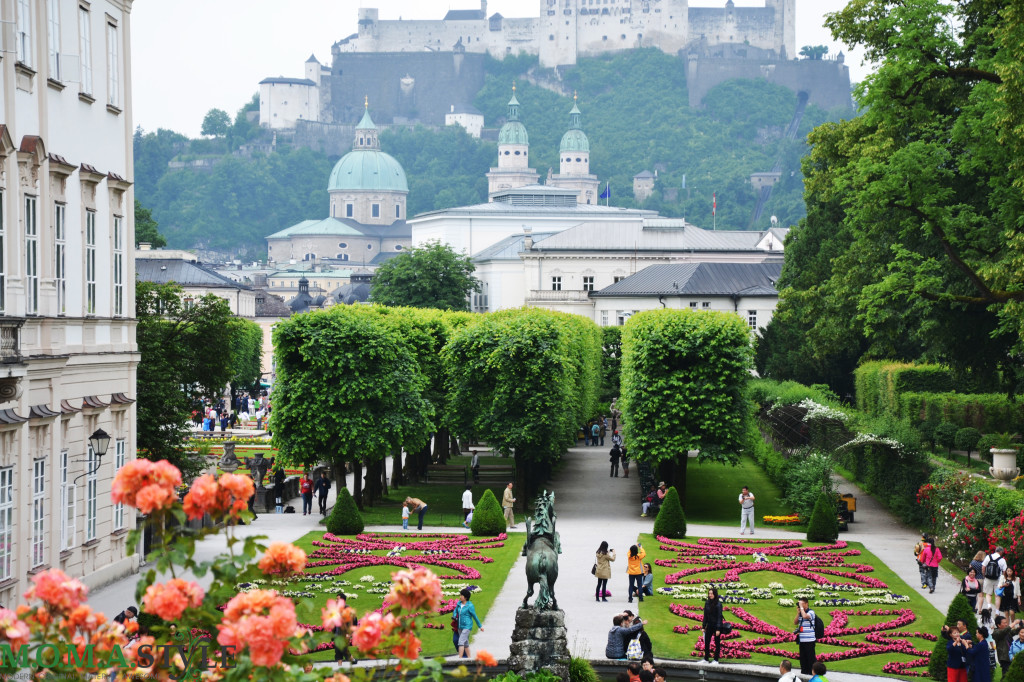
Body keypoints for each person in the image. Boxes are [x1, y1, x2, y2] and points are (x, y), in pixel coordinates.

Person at [456, 588, 483, 658]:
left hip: (467, 626)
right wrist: (454, 616)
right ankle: (469, 658)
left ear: (465, 597)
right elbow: (455, 611)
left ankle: (460, 659)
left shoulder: (470, 606)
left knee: (461, 641)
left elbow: (475, 616)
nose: (460, 597)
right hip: (460, 626)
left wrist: (480, 626)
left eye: (461, 595)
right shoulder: (459, 604)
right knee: (465, 643)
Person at [701, 586, 724, 664]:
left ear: (715, 594)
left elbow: (719, 617)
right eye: (709, 593)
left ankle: (716, 660)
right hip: (709, 625)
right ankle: (706, 659)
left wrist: (718, 629)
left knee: (717, 643)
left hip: (716, 626)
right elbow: (705, 616)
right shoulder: (707, 603)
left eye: (711, 593)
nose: (710, 595)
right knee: (707, 642)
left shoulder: (718, 604)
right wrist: (703, 626)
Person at [795, 597, 817, 675]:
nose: (800, 605)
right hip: (802, 639)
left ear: (806, 603)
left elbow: (805, 616)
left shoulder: (811, 612)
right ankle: (804, 672)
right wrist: (798, 613)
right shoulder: (801, 613)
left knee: (810, 658)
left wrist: (801, 608)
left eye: (801, 603)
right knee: (803, 658)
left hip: (810, 639)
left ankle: (812, 673)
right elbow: (795, 622)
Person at [982, 547, 1008, 611]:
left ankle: (989, 605)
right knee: (997, 595)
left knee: (988, 594)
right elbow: (1004, 571)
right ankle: (997, 611)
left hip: (988, 578)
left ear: (995, 550)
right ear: (1001, 552)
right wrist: (1004, 579)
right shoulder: (1002, 560)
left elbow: (983, 567)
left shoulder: (988, 557)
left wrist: (984, 575)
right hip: (998, 579)